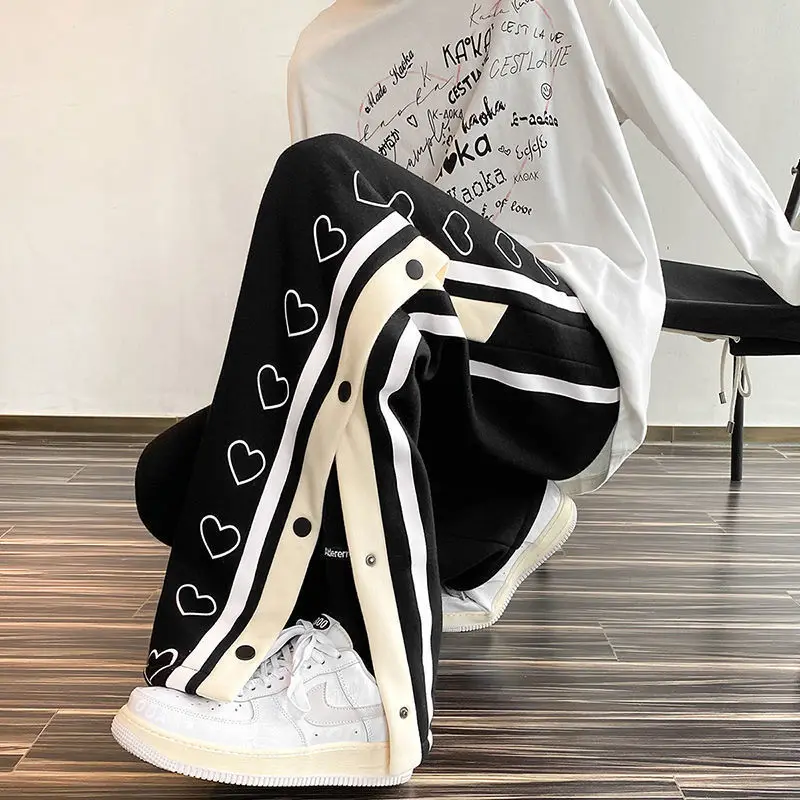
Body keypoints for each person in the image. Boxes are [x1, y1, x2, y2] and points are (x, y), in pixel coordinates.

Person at [112, 0, 800, 788]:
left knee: (320, 175)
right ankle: (494, 525)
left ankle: (368, 689)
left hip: (567, 345)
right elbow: (332, 297)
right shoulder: (322, 56)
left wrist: (788, 263)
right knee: (172, 477)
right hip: (444, 372)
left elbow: (678, 110)